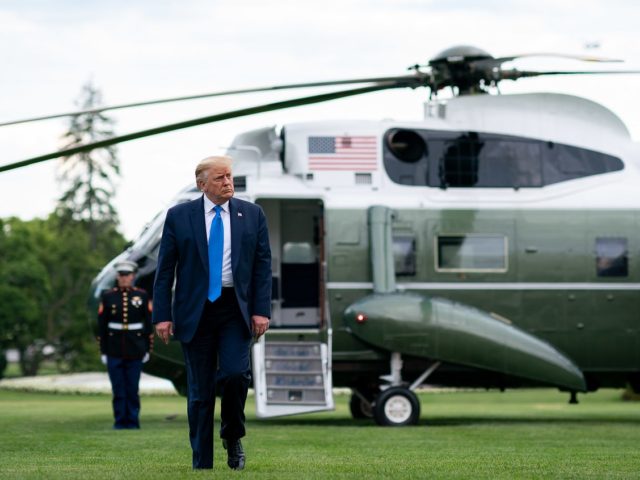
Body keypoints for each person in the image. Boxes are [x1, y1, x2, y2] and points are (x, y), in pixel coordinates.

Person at [153, 155, 271, 471]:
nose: (228, 183)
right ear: (201, 184)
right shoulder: (179, 217)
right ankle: (202, 463)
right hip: (195, 311)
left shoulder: (253, 215)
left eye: (229, 176)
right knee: (200, 392)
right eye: (220, 178)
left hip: (236, 309)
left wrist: (261, 310)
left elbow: (262, 267)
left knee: (235, 375)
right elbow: (165, 270)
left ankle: (233, 436)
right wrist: (162, 315)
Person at [97, 260, 153, 429]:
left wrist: (147, 348)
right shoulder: (108, 296)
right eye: (121, 275)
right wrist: (103, 351)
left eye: (127, 275)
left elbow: (148, 323)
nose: (124, 278)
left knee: (132, 389)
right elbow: (102, 326)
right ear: (117, 276)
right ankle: (120, 421)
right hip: (114, 349)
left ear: (133, 276)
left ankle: (133, 421)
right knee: (118, 389)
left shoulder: (142, 296)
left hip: (135, 348)